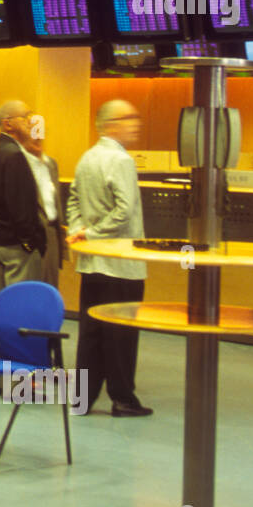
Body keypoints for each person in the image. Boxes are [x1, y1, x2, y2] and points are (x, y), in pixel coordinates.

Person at [66, 100, 152, 417]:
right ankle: (123, 399)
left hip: (92, 263)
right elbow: (124, 210)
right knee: (121, 335)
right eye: (131, 118)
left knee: (91, 333)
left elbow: (73, 198)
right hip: (120, 263)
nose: (137, 123)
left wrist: (78, 230)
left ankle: (82, 399)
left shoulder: (87, 157)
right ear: (110, 124)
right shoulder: (121, 160)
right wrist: (92, 233)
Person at [0, 100, 47, 290]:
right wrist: (29, 242)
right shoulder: (14, 154)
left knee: (6, 299)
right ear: (8, 124)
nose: (30, 122)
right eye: (25, 117)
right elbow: (19, 204)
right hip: (17, 246)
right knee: (21, 302)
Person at [24, 133, 66, 288]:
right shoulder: (19, 164)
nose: (37, 140)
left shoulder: (50, 164)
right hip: (32, 236)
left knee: (50, 285)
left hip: (51, 232)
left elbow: (55, 202)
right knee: (32, 287)